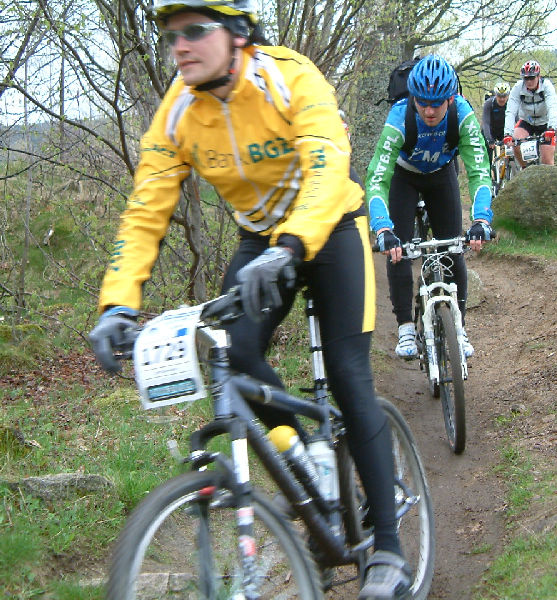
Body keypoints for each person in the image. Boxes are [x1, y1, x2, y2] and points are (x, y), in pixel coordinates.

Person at [87, 0, 410, 597]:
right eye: (170, 34)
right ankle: (307, 456)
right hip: (259, 237)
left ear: (237, 33)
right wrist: (117, 304)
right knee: (232, 354)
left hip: (332, 227)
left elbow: (326, 164)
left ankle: (388, 550)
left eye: (194, 30)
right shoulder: (178, 110)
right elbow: (145, 211)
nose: (179, 44)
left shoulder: (290, 78)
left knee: (348, 372)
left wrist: (291, 246)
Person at [365, 54, 493, 359]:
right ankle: (405, 327)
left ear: (451, 97)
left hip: (441, 175)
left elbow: (479, 171)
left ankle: (458, 329)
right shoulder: (399, 118)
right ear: (413, 96)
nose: (430, 110)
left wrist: (481, 220)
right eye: (422, 102)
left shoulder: (463, 115)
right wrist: (382, 226)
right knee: (398, 250)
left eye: (437, 102)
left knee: (453, 249)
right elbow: (378, 176)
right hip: (403, 177)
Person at [503, 60, 557, 167]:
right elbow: (510, 111)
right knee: (515, 143)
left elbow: (553, 107)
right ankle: (525, 170)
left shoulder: (546, 86)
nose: (529, 81)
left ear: (538, 76)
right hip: (526, 121)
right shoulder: (518, 87)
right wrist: (507, 134)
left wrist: (551, 128)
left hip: (545, 123)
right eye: (526, 78)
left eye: (532, 78)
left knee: (547, 162)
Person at [481, 81, 509, 160]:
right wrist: (490, 140)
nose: (502, 99)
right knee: (487, 157)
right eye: (499, 96)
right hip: (490, 130)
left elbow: (516, 120)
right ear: (496, 95)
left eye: (504, 96)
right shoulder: (489, 103)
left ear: (508, 96)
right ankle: (488, 169)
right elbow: (485, 123)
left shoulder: (511, 103)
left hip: (503, 130)